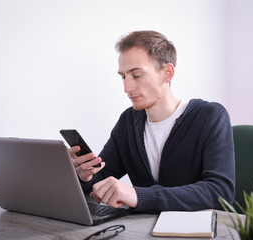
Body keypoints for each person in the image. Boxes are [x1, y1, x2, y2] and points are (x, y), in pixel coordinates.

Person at [69, 30, 235, 213]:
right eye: (123, 77)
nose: (127, 87)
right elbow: (100, 181)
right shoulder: (128, 123)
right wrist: (85, 177)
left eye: (136, 75)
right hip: (143, 229)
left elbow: (220, 193)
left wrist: (139, 196)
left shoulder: (209, 116)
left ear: (167, 73)